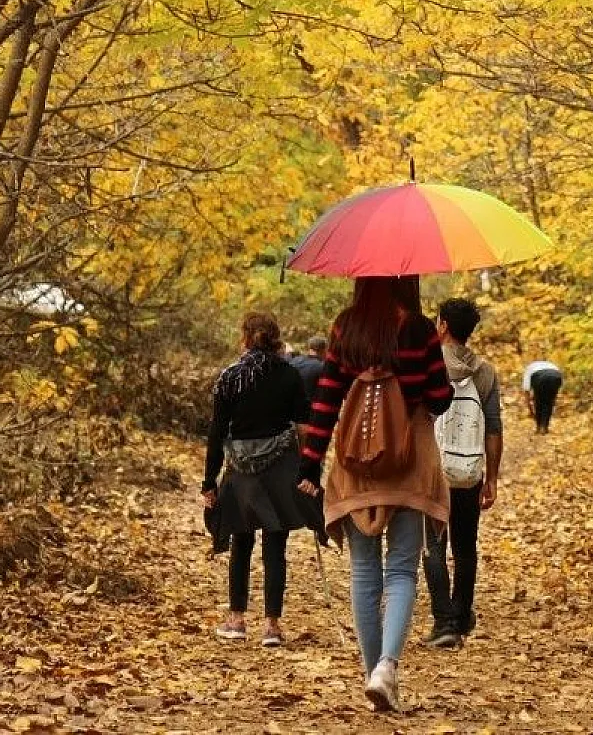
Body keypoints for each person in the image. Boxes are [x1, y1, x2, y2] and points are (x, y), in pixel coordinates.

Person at [296, 276, 452, 713]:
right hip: (409, 463)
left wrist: (310, 461)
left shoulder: (347, 326)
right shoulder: (419, 329)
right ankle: (387, 667)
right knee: (401, 569)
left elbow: (326, 399)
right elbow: (438, 399)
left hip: (355, 463)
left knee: (365, 572)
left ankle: (373, 677)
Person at [201, 312, 324, 647]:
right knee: (276, 544)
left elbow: (216, 432)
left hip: (240, 472)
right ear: (276, 338)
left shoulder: (230, 377)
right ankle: (272, 626)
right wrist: (309, 470)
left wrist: (209, 481)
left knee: (241, 542)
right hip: (280, 468)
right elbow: (303, 427)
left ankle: (236, 621)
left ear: (245, 337)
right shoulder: (289, 374)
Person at [423, 298, 502, 649]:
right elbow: (494, 428)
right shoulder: (484, 371)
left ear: (442, 326)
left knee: (433, 544)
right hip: (469, 469)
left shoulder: (427, 366)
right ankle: (460, 614)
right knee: (466, 545)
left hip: (431, 469)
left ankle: (444, 623)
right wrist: (492, 477)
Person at [522, 359, 563, 434]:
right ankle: (544, 426)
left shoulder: (529, 369)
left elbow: (526, 390)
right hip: (556, 376)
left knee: (539, 401)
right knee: (549, 402)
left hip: (540, 377)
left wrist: (530, 409)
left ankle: (539, 427)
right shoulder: (550, 364)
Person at [289, 335, 328, 401]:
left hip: (289, 405)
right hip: (308, 407)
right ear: (323, 350)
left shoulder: (294, 361)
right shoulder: (322, 367)